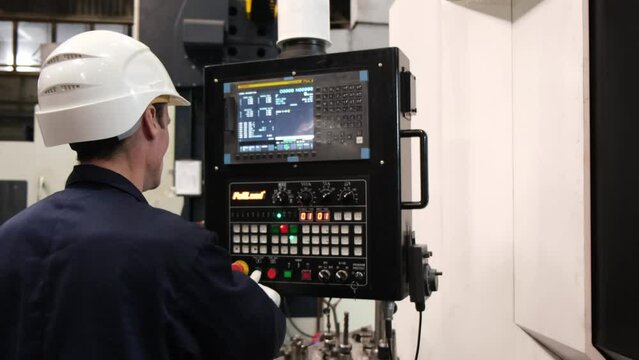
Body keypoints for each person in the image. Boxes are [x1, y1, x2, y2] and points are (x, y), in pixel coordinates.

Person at [0, 30, 285, 360]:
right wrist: (262, 296)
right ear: (151, 119)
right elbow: (259, 338)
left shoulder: (9, 238)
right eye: (166, 118)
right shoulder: (178, 250)